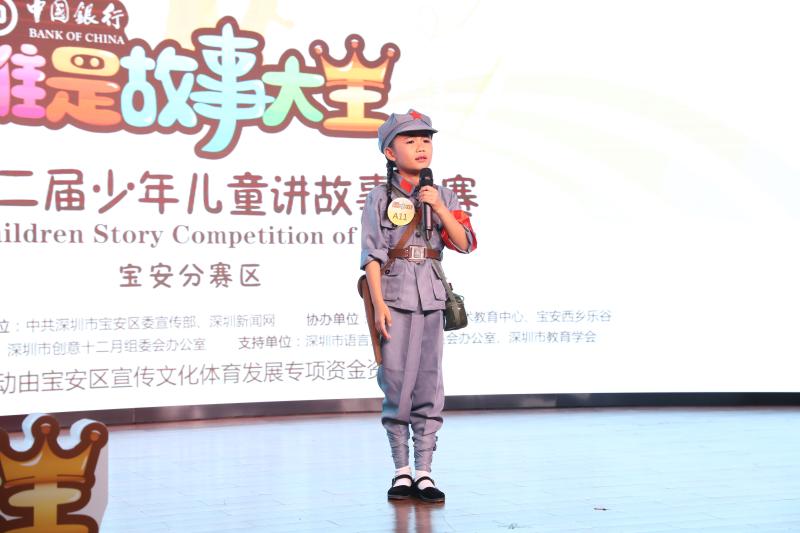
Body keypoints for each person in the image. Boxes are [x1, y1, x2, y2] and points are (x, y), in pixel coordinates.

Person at [360, 109, 477, 503]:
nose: (421, 147)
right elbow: (372, 255)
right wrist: (378, 305)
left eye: (426, 140)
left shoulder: (443, 195)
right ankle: (401, 470)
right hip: (393, 297)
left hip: (431, 296)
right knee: (396, 383)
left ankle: (424, 471)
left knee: (430, 383)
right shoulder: (379, 197)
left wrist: (439, 208)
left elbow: (464, 243)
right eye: (410, 141)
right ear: (390, 152)